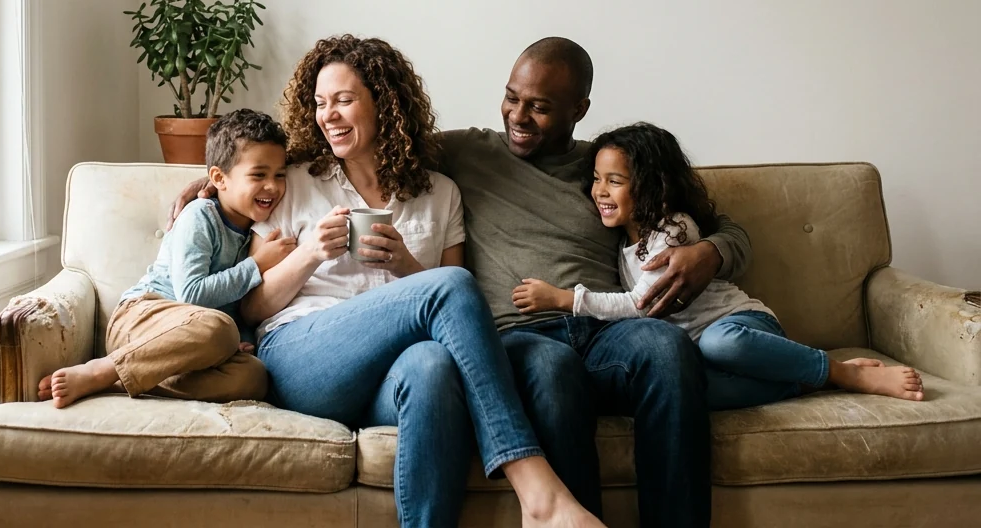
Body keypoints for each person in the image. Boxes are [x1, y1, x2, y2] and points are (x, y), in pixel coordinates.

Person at [244, 36, 603, 528]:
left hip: (391, 372)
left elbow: (454, 312)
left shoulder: (441, 193)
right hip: (305, 359)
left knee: (432, 365)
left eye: (344, 100)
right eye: (321, 103)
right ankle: (536, 489)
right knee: (449, 284)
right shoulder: (292, 182)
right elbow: (252, 307)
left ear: (384, 103)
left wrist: (406, 267)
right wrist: (309, 253)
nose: (329, 115)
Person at [437, 37, 753, 528]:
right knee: (554, 369)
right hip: (521, 337)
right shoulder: (468, 152)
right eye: (512, 98)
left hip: (607, 330)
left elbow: (727, 228)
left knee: (666, 346)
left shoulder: (606, 167)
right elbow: (381, 143)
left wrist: (710, 252)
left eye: (540, 107)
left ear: (579, 110)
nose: (518, 116)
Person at [511, 122, 925, 408]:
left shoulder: (673, 230)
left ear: (653, 186)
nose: (600, 190)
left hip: (740, 329)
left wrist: (564, 299)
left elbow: (640, 304)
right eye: (597, 179)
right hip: (695, 353)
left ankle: (839, 372)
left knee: (718, 342)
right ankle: (802, 381)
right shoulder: (622, 242)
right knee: (686, 389)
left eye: (614, 181)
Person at [37, 109, 295, 409]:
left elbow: (237, 304)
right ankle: (101, 370)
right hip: (141, 319)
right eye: (258, 175)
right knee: (220, 330)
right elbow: (192, 294)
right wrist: (257, 265)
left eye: (279, 175)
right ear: (218, 178)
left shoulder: (255, 229)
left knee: (255, 377)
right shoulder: (200, 216)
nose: (272, 186)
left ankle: (120, 381)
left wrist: (243, 339)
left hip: (186, 347)